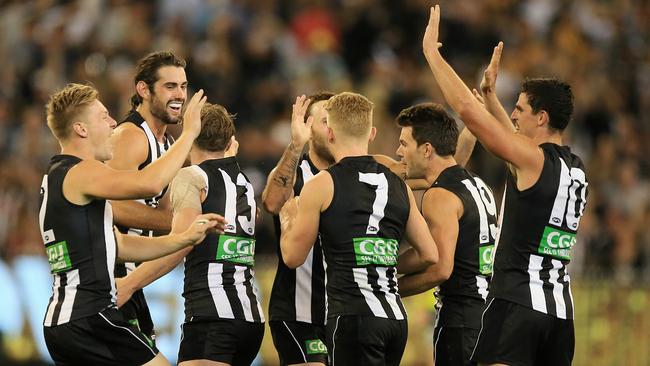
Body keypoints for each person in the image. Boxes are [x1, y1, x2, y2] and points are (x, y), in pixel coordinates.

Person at [422, 6, 588, 366]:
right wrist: (494, 99)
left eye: (520, 109)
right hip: (560, 313)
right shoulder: (575, 169)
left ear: (541, 118)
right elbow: (513, 142)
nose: (513, 115)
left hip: (517, 304)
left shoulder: (533, 160)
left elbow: (466, 110)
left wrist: (432, 55)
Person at [40, 83, 226, 366]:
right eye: (103, 117)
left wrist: (184, 237)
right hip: (89, 317)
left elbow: (118, 244)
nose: (113, 123)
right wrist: (189, 133)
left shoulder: (59, 176)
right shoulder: (80, 171)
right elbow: (150, 183)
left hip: (67, 322)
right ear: (81, 129)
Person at [279, 92, 438, 365]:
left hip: (353, 317)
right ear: (372, 133)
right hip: (395, 319)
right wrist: (381, 262)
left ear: (330, 134)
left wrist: (287, 223)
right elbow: (429, 254)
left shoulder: (322, 184)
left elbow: (293, 257)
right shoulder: (398, 184)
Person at [117, 103, 264, 366]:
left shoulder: (192, 177)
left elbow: (181, 242)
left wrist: (129, 284)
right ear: (230, 141)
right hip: (250, 319)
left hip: (211, 316)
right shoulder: (243, 181)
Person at [394, 103, 497, 366]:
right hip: (487, 317)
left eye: (404, 144)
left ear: (427, 148)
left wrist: (386, 288)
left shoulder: (439, 196)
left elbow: (440, 269)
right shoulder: (477, 184)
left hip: (459, 323)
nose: (398, 152)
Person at [108, 51, 188, 342]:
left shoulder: (169, 143)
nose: (179, 94)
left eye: (183, 86)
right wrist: (180, 223)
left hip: (133, 275)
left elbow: (165, 209)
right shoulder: (130, 136)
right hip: (110, 271)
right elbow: (111, 205)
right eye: (170, 86)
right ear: (144, 90)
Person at [262, 92, 334, 366]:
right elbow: (270, 202)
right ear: (308, 127)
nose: (332, 128)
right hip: (298, 312)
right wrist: (295, 146)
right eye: (325, 120)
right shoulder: (296, 173)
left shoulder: (354, 176)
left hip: (344, 316)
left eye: (337, 121)